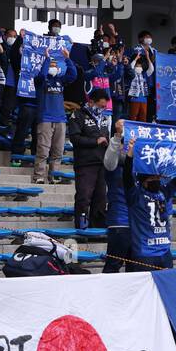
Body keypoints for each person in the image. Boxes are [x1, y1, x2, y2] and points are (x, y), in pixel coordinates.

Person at [122, 138, 176, 271]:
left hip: (164, 251)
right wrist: (130, 155)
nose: (156, 180)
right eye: (152, 178)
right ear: (143, 181)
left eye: (158, 178)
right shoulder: (135, 195)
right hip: (144, 253)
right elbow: (127, 177)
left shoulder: (164, 192)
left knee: (167, 289)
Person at [67, 89, 113, 231]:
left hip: (102, 162)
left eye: (104, 107)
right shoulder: (78, 115)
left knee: (101, 198)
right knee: (84, 196)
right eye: (100, 106)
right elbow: (74, 138)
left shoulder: (105, 119)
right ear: (91, 102)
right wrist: (95, 141)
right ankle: (81, 228)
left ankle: (97, 229)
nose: (102, 109)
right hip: (85, 163)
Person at [31, 45, 77, 185]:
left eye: (55, 65)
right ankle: (38, 176)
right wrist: (46, 59)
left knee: (58, 151)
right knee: (43, 150)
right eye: (51, 65)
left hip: (61, 119)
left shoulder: (60, 81)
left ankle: (54, 176)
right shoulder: (41, 80)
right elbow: (42, 75)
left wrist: (68, 58)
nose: (53, 67)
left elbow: (73, 75)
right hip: (45, 118)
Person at [101, 123, 133, 273]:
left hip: (138, 223)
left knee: (135, 267)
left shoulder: (138, 167)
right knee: (113, 265)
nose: (125, 147)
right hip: (119, 222)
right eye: (124, 145)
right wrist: (117, 136)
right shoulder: (113, 167)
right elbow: (109, 159)